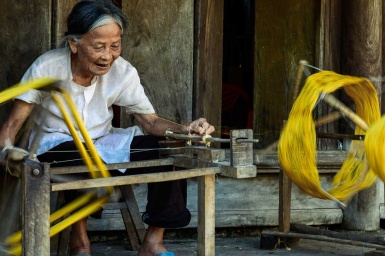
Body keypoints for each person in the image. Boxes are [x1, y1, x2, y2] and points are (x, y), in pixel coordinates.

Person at [0, 1, 215, 256]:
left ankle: (153, 242)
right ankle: (79, 243)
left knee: (171, 150)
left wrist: (185, 131)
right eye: (99, 46)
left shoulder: (122, 71)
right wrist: (7, 152)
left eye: (115, 46)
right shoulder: (48, 67)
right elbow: (12, 124)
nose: (108, 56)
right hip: (55, 146)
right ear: (74, 44)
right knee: (82, 157)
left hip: (103, 141)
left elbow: (150, 121)